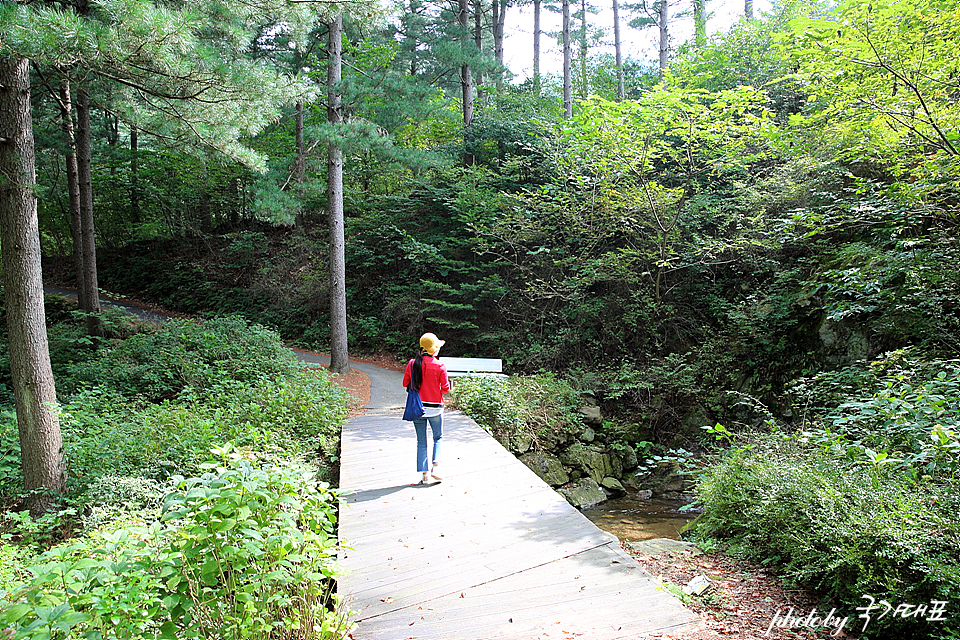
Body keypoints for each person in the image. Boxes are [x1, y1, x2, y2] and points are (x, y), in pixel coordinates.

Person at [402, 332, 451, 485]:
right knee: (438, 437)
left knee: (421, 442)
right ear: (434, 350)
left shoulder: (412, 363)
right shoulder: (440, 365)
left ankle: (424, 475)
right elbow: (445, 389)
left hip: (417, 409)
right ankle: (436, 467)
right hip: (435, 408)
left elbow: (405, 383)